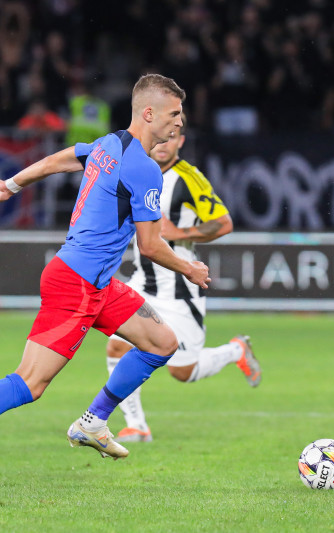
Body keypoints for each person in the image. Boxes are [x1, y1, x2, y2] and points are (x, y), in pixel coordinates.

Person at [0, 74, 210, 462]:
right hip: (76, 283)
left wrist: (11, 185)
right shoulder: (146, 169)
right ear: (149, 113)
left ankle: (93, 422)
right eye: (175, 113)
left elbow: (59, 160)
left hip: (97, 282)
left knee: (162, 343)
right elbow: (149, 245)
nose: (180, 121)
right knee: (30, 382)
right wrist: (190, 269)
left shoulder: (109, 143)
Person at [105, 115, 262, 443]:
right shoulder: (136, 169)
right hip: (142, 282)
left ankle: (235, 350)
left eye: (173, 137)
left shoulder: (189, 178)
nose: (164, 144)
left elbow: (223, 222)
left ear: (181, 141)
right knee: (117, 345)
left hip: (179, 287)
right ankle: (137, 425)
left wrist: (181, 232)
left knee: (182, 371)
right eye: (161, 137)